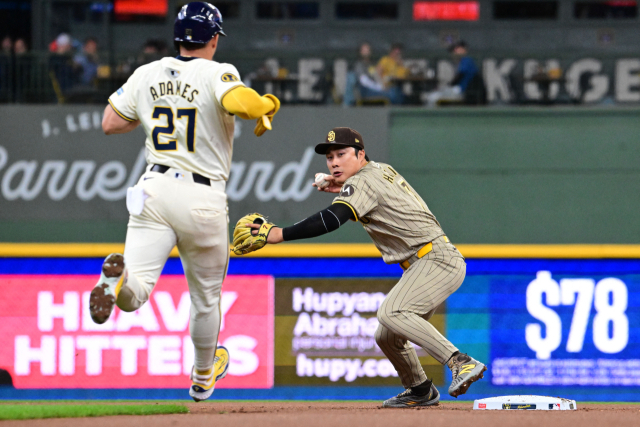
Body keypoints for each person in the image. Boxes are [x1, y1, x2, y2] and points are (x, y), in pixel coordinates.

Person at [90, 2, 280, 402]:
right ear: (213, 38)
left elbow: (109, 122)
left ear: (179, 36)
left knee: (138, 292)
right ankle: (202, 377)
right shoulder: (217, 71)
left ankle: (118, 284)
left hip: (152, 191)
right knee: (206, 298)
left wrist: (153, 109)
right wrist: (265, 105)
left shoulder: (146, 73)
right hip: (201, 195)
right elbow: (241, 103)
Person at [231, 127, 487, 408]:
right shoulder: (379, 170)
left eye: (342, 154)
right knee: (387, 336)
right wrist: (342, 187)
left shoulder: (362, 183)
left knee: (392, 312)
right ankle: (420, 389)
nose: (334, 162)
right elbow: (372, 194)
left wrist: (279, 233)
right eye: (329, 157)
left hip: (434, 260)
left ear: (360, 154)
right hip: (429, 260)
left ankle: (460, 361)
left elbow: (333, 218)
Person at [427, 40, 484, 106]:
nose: (454, 52)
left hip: (461, 90)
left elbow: (460, 76)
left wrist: (450, 85)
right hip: (460, 89)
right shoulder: (463, 60)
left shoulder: (467, 60)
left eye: (456, 49)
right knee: (434, 94)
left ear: (463, 49)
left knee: (433, 97)